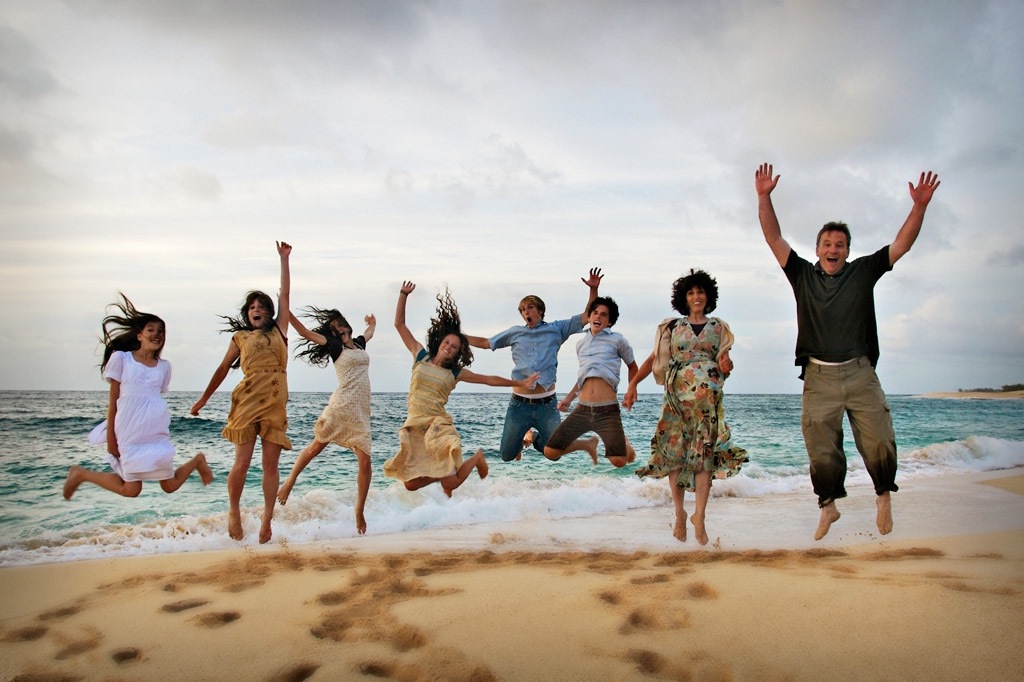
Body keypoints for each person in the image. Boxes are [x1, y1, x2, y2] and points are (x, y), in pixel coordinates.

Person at [755, 162, 941, 540]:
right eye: (827, 244)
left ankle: (884, 494)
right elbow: (774, 238)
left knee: (878, 439)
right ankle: (828, 506)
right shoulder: (802, 275)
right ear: (818, 249)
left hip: (859, 373)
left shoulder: (863, 271)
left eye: (839, 244)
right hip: (818, 377)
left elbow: (901, 245)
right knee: (820, 447)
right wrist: (763, 197)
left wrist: (919, 206)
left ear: (848, 251)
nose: (833, 249)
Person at [623, 270, 748, 545]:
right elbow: (654, 359)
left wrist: (728, 366)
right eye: (691, 293)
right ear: (684, 298)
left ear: (708, 296)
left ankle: (700, 517)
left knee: (704, 458)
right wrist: (632, 385)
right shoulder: (672, 327)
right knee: (674, 456)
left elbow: (725, 362)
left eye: (700, 292)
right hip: (676, 401)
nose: (696, 297)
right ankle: (679, 513)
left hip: (707, 403)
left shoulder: (718, 327)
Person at [384, 281, 540, 496]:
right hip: (414, 426)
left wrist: (519, 383)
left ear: (457, 353)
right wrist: (403, 294)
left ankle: (476, 458)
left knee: (450, 484)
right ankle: (451, 468)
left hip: (437, 427)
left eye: (454, 347)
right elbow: (399, 325)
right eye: (447, 342)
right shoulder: (421, 356)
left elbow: (488, 380)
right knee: (410, 484)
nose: (448, 347)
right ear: (440, 342)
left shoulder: (456, 373)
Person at [190, 241, 293, 544]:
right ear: (247, 315)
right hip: (247, 401)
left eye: (262, 307)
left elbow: (285, 294)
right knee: (242, 463)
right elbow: (222, 369)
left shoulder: (280, 331)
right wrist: (203, 400)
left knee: (270, 465)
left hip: (275, 403)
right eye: (252, 308)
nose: (256, 311)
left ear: (271, 314)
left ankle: (266, 518)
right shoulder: (241, 337)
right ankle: (233, 511)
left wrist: (284, 260)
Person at [64, 295, 213, 500]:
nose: (157, 334)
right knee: (131, 489)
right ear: (139, 335)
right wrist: (111, 439)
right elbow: (114, 402)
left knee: (169, 485)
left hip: (155, 429)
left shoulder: (164, 367)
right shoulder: (122, 359)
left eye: (161, 331)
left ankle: (197, 461)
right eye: (150, 330)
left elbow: (152, 400)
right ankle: (81, 474)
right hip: (129, 430)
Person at [465, 269, 603, 464]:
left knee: (554, 454)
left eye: (529, 307)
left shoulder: (557, 329)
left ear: (540, 311)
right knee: (506, 455)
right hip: (519, 405)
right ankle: (523, 439)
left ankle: (535, 437)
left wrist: (593, 290)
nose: (525, 312)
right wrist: (459, 337)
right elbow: (487, 343)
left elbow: (587, 315)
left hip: (546, 405)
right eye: (522, 309)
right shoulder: (515, 333)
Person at [277, 307, 376, 535]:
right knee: (315, 448)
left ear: (346, 324)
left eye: (340, 322)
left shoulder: (359, 344)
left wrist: (372, 321)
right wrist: (287, 310)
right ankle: (290, 481)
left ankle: (359, 510)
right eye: (334, 325)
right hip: (341, 407)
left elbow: (370, 332)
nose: (338, 326)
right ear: (332, 330)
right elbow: (304, 332)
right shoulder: (334, 346)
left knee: (365, 463)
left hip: (360, 413)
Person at [543, 296, 638, 468]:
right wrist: (568, 399)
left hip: (608, 411)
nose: (598, 317)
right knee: (550, 451)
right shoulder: (580, 344)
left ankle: (626, 445)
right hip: (582, 410)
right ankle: (587, 444)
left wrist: (632, 389)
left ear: (609, 321)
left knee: (619, 462)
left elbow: (632, 367)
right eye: (595, 313)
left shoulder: (618, 340)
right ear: (589, 317)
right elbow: (583, 378)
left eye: (603, 315)